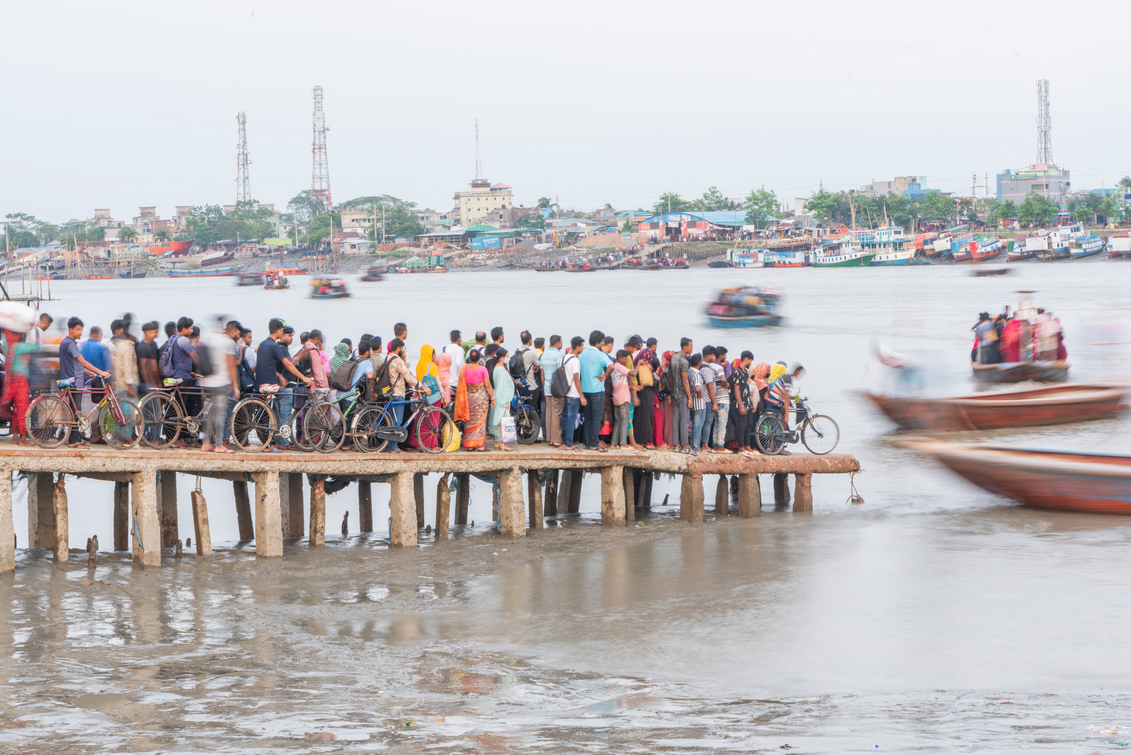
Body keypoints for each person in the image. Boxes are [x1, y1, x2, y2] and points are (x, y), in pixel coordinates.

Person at [255, 318, 312, 451]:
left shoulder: (262, 344)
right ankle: (283, 440)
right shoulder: (274, 345)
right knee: (287, 395)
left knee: (275, 411)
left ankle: (278, 438)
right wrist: (303, 377)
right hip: (270, 385)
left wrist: (279, 376)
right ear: (280, 331)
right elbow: (288, 364)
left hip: (261, 383)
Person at [59, 317, 110, 448]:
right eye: (77, 329)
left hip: (74, 380)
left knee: (76, 411)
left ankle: (76, 438)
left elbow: (76, 364)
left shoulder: (67, 342)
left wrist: (89, 372)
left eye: (81, 329)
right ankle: (72, 441)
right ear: (70, 329)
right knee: (76, 412)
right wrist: (101, 372)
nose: (80, 332)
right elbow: (82, 362)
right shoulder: (70, 343)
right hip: (74, 382)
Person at [200, 319, 240, 454]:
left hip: (207, 381)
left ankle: (206, 443)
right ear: (232, 330)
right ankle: (218, 445)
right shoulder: (228, 342)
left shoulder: (210, 339)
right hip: (220, 382)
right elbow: (231, 365)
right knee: (219, 413)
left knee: (210, 413)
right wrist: (235, 385)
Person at [454, 349, 494, 451]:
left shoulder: (464, 368)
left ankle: (470, 445)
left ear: (470, 358)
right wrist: (493, 398)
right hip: (480, 399)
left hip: (468, 399)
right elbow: (488, 385)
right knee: (480, 421)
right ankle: (480, 445)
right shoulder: (483, 369)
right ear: (479, 358)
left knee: (470, 420)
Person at [580, 330, 612, 451]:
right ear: (598, 342)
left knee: (588, 417)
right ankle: (594, 443)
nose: (603, 344)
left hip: (584, 389)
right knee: (596, 418)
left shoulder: (583, 353)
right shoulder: (600, 354)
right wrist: (605, 375)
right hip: (597, 390)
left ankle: (588, 442)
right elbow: (611, 366)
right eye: (602, 342)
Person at [1, 328, 34, 445]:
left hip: (11, 380)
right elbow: (36, 347)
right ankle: (23, 439)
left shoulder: (8, 345)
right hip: (21, 380)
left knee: (15, 410)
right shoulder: (20, 347)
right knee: (22, 410)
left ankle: (15, 437)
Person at [385, 338, 417, 441]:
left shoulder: (388, 358)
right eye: (402, 348)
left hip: (390, 393)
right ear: (398, 348)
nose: (403, 351)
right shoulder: (397, 361)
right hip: (398, 393)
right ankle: (393, 447)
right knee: (397, 422)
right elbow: (407, 376)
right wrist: (420, 384)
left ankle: (392, 446)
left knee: (392, 422)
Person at [559, 336, 584, 450]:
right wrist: (582, 395)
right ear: (578, 347)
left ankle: (565, 441)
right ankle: (569, 444)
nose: (583, 348)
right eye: (582, 345)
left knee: (566, 416)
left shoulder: (564, 358)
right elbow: (576, 378)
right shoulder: (575, 360)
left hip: (565, 392)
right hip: (574, 393)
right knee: (571, 418)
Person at [489, 346, 515, 451]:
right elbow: (503, 387)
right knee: (504, 420)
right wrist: (506, 401)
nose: (508, 358)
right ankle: (504, 444)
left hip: (496, 396)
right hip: (502, 398)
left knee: (498, 420)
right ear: (503, 358)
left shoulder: (495, 368)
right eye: (507, 356)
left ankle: (498, 442)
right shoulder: (501, 370)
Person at [633, 337, 657, 449]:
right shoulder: (647, 367)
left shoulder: (636, 365)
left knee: (639, 417)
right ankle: (647, 442)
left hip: (639, 393)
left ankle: (639, 440)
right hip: (647, 393)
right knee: (647, 416)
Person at [670, 338, 693, 453]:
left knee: (676, 419)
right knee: (684, 420)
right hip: (683, 394)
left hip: (674, 392)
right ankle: (685, 446)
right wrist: (690, 397)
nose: (692, 348)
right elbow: (685, 381)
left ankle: (676, 445)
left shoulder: (674, 358)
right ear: (685, 347)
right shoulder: (684, 362)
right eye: (690, 346)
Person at [541, 335, 564, 447]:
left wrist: (544, 386)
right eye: (561, 342)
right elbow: (561, 372)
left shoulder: (544, 355)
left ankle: (549, 438)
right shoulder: (559, 355)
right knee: (557, 413)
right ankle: (556, 440)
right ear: (558, 343)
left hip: (547, 387)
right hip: (556, 388)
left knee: (549, 413)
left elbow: (542, 373)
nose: (562, 344)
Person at [731, 351, 756, 455]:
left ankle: (747, 446)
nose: (751, 363)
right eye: (750, 361)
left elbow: (746, 389)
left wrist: (751, 403)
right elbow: (736, 390)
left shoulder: (745, 372)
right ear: (746, 360)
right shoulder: (737, 372)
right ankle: (741, 447)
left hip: (748, 402)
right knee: (742, 426)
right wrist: (741, 404)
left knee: (749, 425)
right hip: (741, 403)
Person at [610, 350, 635, 448]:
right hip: (624, 398)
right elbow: (633, 373)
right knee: (624, 420)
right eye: (625, 359)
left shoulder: (614, 367)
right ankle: (623, 443)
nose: (625, 361)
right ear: (620, 358)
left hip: (616, 398)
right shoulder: (620, 367)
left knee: (617, 422)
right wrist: (639, 364)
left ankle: (613, 443)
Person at [110, 319, 138, 398]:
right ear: (117, 331)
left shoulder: (108, 344)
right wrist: (130, 387)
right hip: (124, 386)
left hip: (112, 384)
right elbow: (127, 367)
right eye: (124, 330)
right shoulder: (125, 346)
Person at [710, 345, 731, 451]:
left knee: (716, 423)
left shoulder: (711, 366)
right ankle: (721, 446)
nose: (725, 357)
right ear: (721, 355)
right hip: (723, 398)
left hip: (715, 398)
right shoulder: (719, 367)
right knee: (722, 423)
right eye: (725, 355)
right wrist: (727, 384)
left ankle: (715, 445)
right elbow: (723, 380)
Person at [687, 353, 707, 455]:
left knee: (695, 425)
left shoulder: (689, 371)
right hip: (699, 403)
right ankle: (696, 446)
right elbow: (697, 388)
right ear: (700, 362)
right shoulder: (697, 374)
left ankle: (693, 445)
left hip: (693, 403)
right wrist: (700, 394)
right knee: (698, 426)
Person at [443, 330, 465, 403]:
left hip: (445, 382)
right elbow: (459, 364)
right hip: (455, 383)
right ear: (459, 338)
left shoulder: (444, 349)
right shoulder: (460, 350)